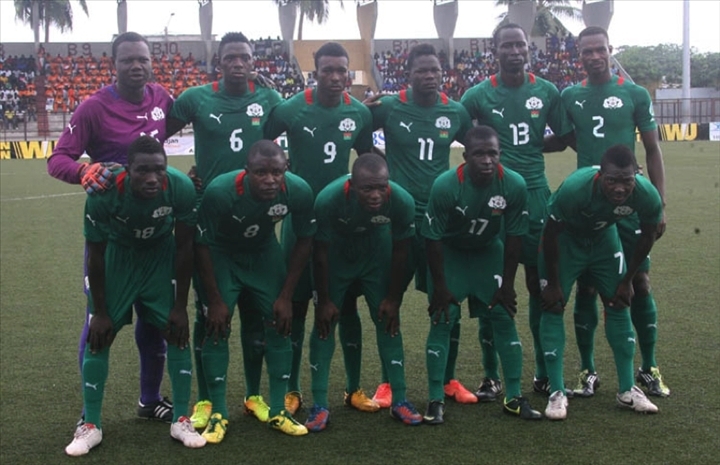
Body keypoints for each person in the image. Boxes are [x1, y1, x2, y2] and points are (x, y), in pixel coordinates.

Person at [48, 32, 176, 424]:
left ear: (151, 62)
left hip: (156, 233)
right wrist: (85, 170)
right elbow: (58, 160)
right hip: (112, 236)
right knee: (99, 322)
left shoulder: (163, 100)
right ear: (113, 65)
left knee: (155, 324)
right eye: (128, 60)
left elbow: (206, 121)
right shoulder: (93, 108)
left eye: (143, 59)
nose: (137, 66)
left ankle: (149, 400)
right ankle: (90, 416)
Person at [166, 32, 284, 431]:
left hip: (259, 220)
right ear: (218, 62)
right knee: (210, 315)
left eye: (245, 57)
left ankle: (253, 396)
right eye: (230, 57)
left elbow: (301, 128)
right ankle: (203, 399)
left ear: (254, 62)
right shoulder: (196, 98)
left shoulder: (269, 101)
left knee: (256, 316)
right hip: (212, 220)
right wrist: (178, 177)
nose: (238, 63)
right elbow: (153, 135)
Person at [545, 26, 669, 398]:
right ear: (577, 55)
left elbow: (652, 149)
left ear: (610, 51)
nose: (594, 56)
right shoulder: (570, 96)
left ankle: (648, 367)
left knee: (638, 283)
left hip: (628, 198)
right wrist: (513, 143)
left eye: (600, 49)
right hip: (591, 201)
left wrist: (659, 203)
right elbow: (565, 140)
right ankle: (588, 370)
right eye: (587, 51)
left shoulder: (633, 94)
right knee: (586, 286)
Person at [65, 136, 205, 456]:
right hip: (118, 258)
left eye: (159, 169)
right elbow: (96, 256)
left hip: (159, 258)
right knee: (100, 335)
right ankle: (92, 424)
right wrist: (99, 310)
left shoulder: (180, 187)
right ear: (129, 169)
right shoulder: (104, 194)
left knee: (176, 331)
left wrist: (181, 305)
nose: (152, 178)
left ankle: (181, 419)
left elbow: (184, 247)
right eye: (143, 171)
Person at [461, 23, 573, 400]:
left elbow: (565, 136)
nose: (514, 50)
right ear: (495, 51)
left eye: (519, 44)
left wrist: (533, 152)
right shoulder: (478, 95)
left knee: (536, 283)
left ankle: (542, 372)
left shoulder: (546, 91)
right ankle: (490, 375)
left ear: (529, 49)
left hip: (537, 194)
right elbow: (462, 132)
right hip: (495, 194)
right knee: (495, 283)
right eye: (506, 45)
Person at [264, 42, 376, 415]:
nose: (334, 77)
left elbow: (370, 160)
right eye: (326, 70)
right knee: (294, 307)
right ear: (315, 72)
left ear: (348, 73)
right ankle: (292, 389)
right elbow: (261, 143)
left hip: (340, 222)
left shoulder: (359, 113)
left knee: (345, 305)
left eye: (340, 70)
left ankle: (355, 389)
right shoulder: (290, 109)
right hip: (299, 221)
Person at [369, 43, 474, 407]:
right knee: (388, 297)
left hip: (440, 219)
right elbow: (360, 129)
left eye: (435, 71)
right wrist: (378, 163)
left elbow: (478, 148)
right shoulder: (389, 106)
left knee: (447, 299)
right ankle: (386, 382)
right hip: (396, 216)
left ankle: (448, 379)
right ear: (408, 74)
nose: (429, 77)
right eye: (421, 71)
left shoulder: (455, 111)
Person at [193, 140, 316, 440]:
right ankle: (219, 413)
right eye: (261, 172)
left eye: (277, 172)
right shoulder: (220, 192)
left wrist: (287, 295)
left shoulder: (298, 190)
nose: (270, 179)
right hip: (222, 255)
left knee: (280, 324)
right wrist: (215, 298)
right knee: (217, 325)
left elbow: (305, 239)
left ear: (286, 169)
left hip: (263, 254)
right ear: (247, 171)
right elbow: (201, 244)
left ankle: (278, 410)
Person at [421, 126, 542, 424]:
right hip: (451, 253)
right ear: (466, 156)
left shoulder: (513, 184)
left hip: (488, 252)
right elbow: (432, 239)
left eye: (493, 153)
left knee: (503, 315)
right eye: (479, 154)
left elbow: (514, 237)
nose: (487, 160)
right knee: (443, 317)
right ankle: (435, 399)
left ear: (500, 154)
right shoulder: (446, 185)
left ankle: (513, 397)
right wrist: (439, 285)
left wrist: (508, 285)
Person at [539, 144, 661, 420]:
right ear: (600, 176)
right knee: (554, 304)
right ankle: (557, 392)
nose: (620, 188)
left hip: (604, 241)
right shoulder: (576, 188)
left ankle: (627, 389)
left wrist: (627, 279)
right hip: (566, 242)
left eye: (626, 181)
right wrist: (555, 282)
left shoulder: (645, 194)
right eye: (612, 181)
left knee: (619, 302)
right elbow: (551, 233)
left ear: (636, 176)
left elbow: (648, 234)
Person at [306, 154, 423, 431]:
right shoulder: (328, 199)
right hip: (336, 259)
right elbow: (319, 252)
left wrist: (394, 297)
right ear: (352, 184)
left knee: (388, 319)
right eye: (367, 188)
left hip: (375, 257)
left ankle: (400, 400)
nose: (375, 194)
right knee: (325, 323)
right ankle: (320, 404)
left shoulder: (401, 200)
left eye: (381, 187)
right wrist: (323, 300)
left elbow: (402, 251)